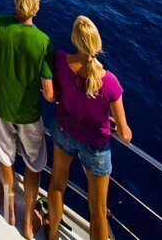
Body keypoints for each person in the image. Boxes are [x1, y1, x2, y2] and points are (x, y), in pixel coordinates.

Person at [0, 0, 55, 239]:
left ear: (16, 3)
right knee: (33, 166)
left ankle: (9, 209)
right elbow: (50, 93)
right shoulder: (42, 41)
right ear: (36, 8)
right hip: (28, 113)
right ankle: (29, 223)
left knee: (5, 157)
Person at [47, 16, 132, 240]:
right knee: (97, 211)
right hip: (96, 146)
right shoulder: (111, 83)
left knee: (56, 184)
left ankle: (53, 235)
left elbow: (57, 94)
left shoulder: (60, 61)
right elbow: (125, 134)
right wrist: (112, 125)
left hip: (64, 131)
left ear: (75, 39)